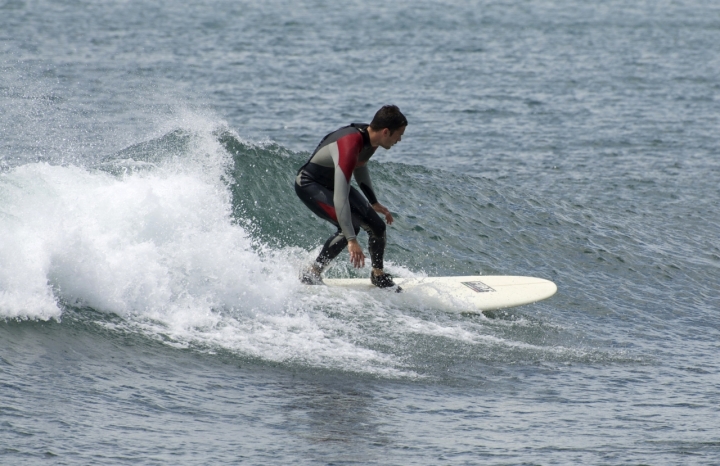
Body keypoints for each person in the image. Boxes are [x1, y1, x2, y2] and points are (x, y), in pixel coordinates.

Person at [295, 105, 407, 290]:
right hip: (310, 184)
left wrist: (373, 202)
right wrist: (352, 240)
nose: (400, 139)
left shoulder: (372, 139)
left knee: (377, 226)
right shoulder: (349, 144)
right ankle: (312, 272)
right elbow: (341, 197)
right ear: (386, 132)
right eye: (399, 134)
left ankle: (378, 275)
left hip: (332, 183)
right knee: (348, 227)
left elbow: (360, 166)